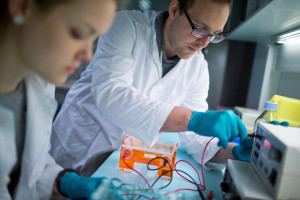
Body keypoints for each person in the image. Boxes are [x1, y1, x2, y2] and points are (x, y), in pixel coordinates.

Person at [50, 0, 253, 176]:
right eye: (199, 28)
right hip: (76, 148)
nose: (204, 43)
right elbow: (112, 95)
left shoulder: (198, 69)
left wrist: (235, 153)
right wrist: (194, 119)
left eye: (215, 35)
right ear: (174, 9)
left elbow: (195, 140)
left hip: (121, 166)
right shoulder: (125, 25)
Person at [0, 0, 126, 199]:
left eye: (93, 38)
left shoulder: (38, 82)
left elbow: (31, 164)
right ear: (23, 6)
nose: (88, 55)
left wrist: (62, 181)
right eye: (78, 33)